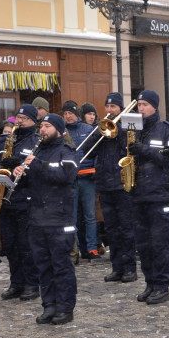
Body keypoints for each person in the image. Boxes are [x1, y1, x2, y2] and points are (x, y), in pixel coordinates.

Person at [19, 114, 79, 325]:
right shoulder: (36, 151)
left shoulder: (67, 151)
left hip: (59, 219)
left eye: (47, 126)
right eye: (41, 126)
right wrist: (20, 175)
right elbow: (31, 184)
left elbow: (65, 176)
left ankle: (65, 307)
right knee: (43, 266)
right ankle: (49, 305)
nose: (42, 130)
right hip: (37, 218)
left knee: (61, 266)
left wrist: (37, 165)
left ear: (58, 129)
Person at [130, 90, 169, 305]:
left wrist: (143, 150)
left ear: (154, 106)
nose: (140, 108)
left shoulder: (167, 131)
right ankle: (150, 283)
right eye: (139, 105)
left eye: (144, 104)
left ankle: (161, 285)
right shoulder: (134, 129)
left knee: (159, 244)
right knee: (143, 245)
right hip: (139, 194)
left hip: (160, 195)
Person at [0, 105, 41, 301]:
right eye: (18, 117)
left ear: (33, 121)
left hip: (25, 200)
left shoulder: (36, 141)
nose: (19, 121)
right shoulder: (4, 140)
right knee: (10, 246)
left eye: (25, 118)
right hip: (4, 199)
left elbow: (38, 170)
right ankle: (16, 283)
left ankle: (31, 284)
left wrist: (18, 163)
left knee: (26, 246)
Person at [90, 93, 138, 283]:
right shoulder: (101, 128)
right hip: (105, 184)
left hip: (122, 184)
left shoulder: (127, 124)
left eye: (113, 108)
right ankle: (117, 267)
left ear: (120, 108)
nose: (110, 111)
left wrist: (118, 132)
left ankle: (129, 268)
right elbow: (88, 151)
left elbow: (133, 146)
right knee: (111, 230)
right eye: (107, 107)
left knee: (126, 229)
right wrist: (98, 133)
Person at [63, 100, 98, 261]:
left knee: (90, 216)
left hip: (87, 178)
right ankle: (75, 248)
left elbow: (96, 151)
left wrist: (95, 169)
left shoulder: (88, 129)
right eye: (65, 113)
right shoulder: (62, 132)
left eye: (70, 113)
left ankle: (92, 248)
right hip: (70, 179)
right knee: (73, 217)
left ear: (76, 114)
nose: (67, 116)